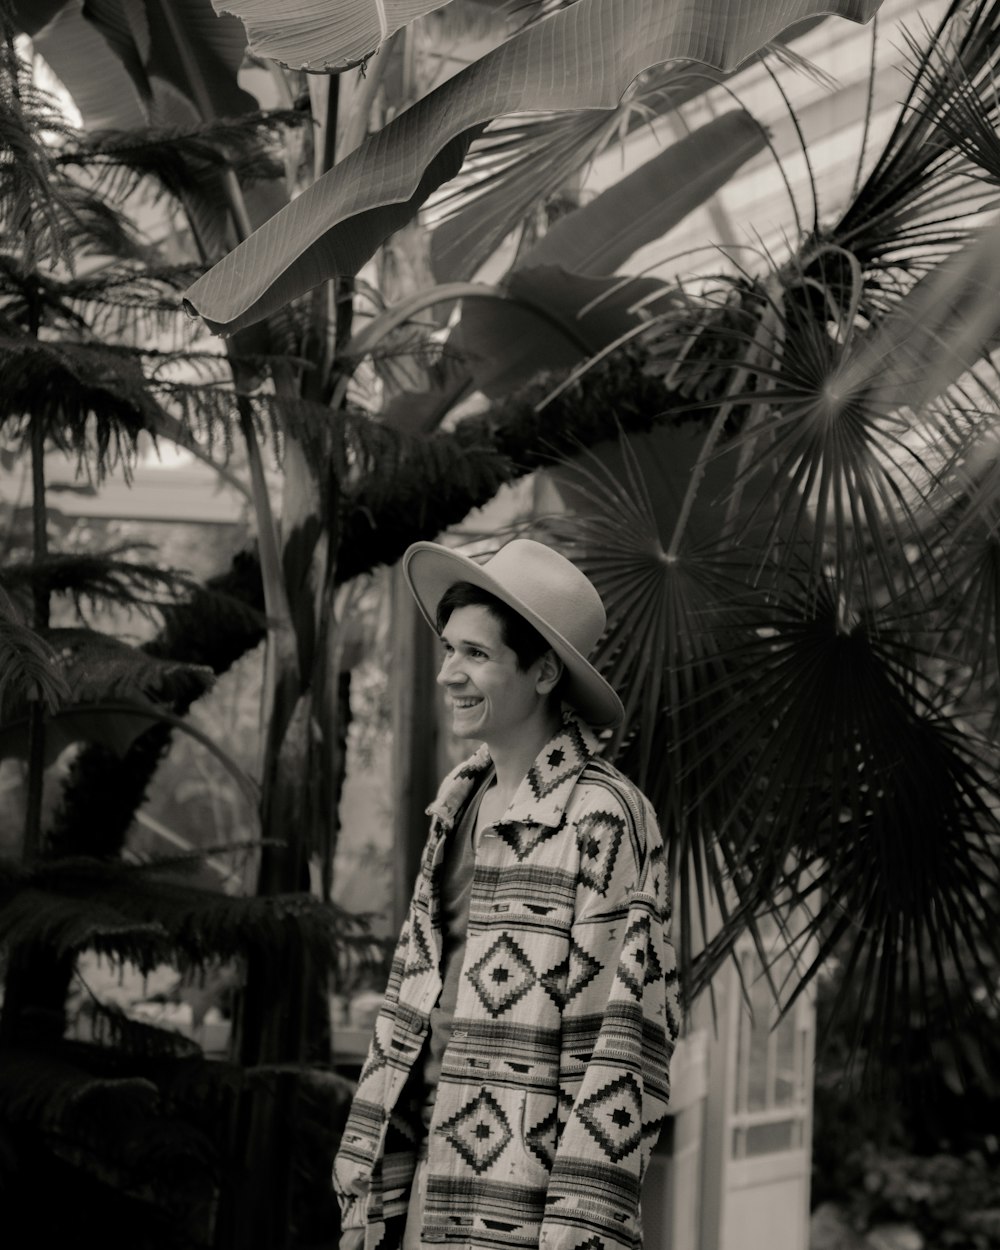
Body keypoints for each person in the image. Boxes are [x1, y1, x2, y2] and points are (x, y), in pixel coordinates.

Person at [333, 538, 679, 1250]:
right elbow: (415, 992)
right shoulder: (457, 802)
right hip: (421, 1172)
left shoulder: (605, 819)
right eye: (449, 650)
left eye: (477, 656)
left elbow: (622, 1046)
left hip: (525, 1203)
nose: (447, 674)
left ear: (545, 671)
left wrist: (577, 1232)